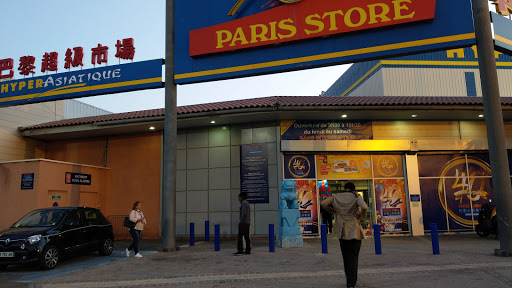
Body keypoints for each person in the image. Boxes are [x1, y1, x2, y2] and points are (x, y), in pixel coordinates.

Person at [321, 182, 368, 288]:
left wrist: (333, 211)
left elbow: (323, 204)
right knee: (354, 256)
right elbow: (364, 207)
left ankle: (349, 281)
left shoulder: (336, 196)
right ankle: (352, 281)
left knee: (345, 256)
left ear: (345, 188)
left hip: (342, 229)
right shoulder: (356, 197)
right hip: (354, 228)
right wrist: (361, 215)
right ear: (353, 189)